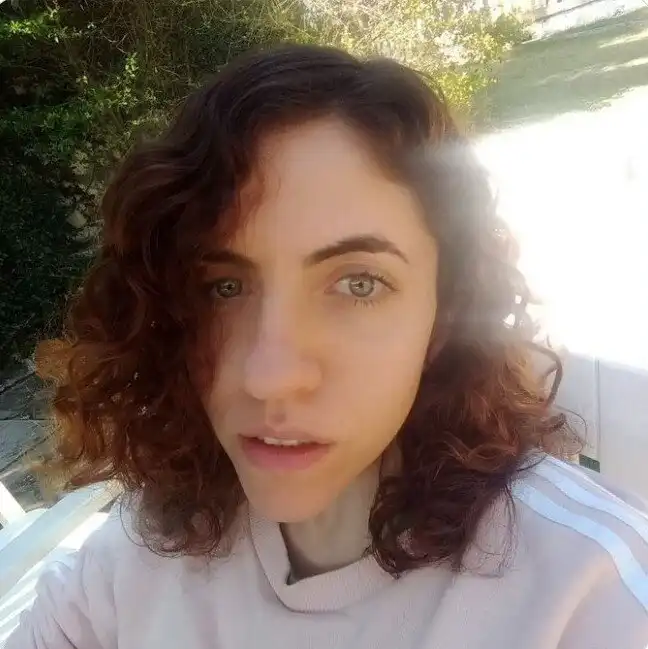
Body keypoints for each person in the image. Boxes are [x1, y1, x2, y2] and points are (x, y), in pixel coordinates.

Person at [7, 45, 648, 649]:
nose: (270, 376)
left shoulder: (582, 594)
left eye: (359, 283)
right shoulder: (133, 560)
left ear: (444, 315)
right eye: (224, 287)